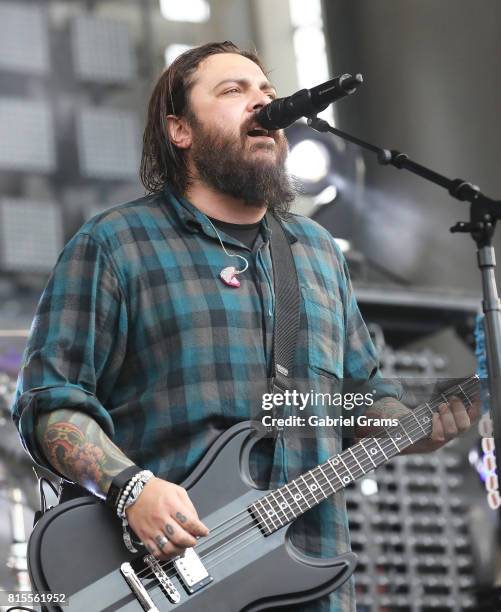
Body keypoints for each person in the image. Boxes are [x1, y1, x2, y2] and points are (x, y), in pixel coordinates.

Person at [11, 41, 478, 612]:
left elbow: (359, 401)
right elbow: (49, 401)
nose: (262, 103)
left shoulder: (317, 253)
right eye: (233, 91)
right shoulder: (116, 243)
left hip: (312, 577)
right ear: (180, 131)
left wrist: (414, 424)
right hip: (157, 577)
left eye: (268, 93)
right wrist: (131, 487)